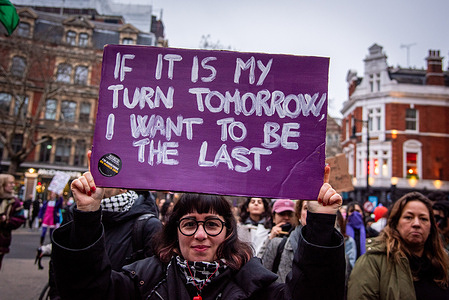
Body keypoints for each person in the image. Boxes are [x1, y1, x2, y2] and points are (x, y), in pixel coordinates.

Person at [51, 167, 346, 300]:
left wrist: (320, 224)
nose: (200, 235)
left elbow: (315, 294)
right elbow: (85, 290)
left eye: (212, 224)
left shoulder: (256, 286)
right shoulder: (141, 281)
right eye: (190, 224)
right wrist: (88, 215)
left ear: (228, 232)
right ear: (175, 230)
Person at [347, 192, 449, 299]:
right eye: (409, 217)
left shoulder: (444, 262)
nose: (416, 224)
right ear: (395, 223)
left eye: (423, 219)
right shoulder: (373, 262)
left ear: (431, 226)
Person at [261, 199, 307, 282]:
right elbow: (261, 268)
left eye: (290, 214)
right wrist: (270, 239)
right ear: (274, 217)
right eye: (282, 214)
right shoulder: (264, 235)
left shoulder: (300, 238)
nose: (286, 218)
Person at [0, 174, 26, 270]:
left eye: (13, 183)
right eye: (10, 183)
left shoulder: (14, 202)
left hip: (2, 239)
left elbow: (21, 219)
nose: (12, 185)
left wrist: (7, 220)